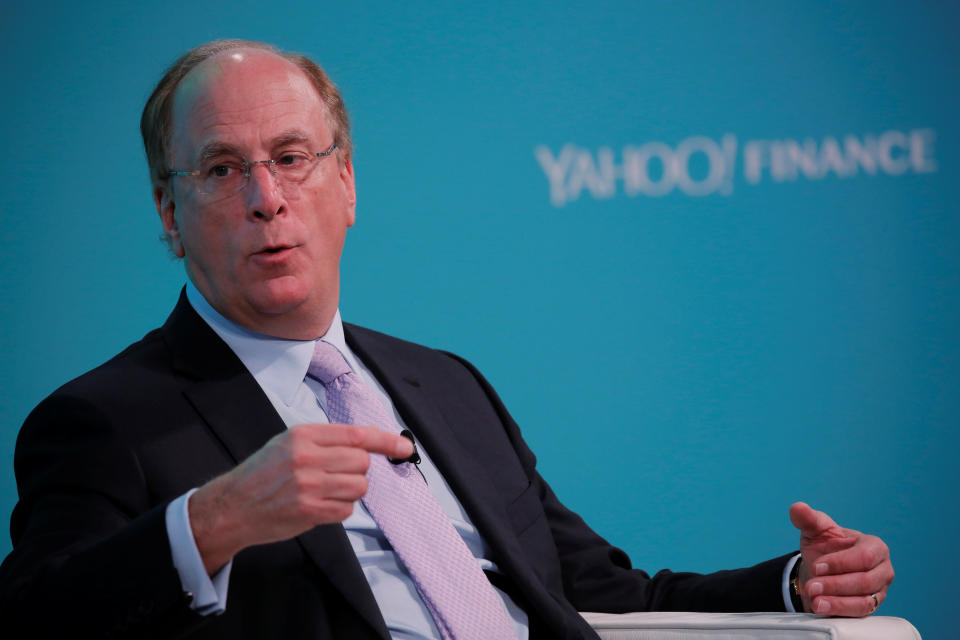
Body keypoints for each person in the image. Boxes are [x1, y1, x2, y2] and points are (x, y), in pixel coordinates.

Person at [0, 40, 894, 639]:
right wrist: (218, 520)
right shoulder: (105, 420)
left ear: (345, 183)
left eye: (291, 157)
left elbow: (597, 596)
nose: (266, 198)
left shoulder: (445, 385)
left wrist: (794, 585)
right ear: (170, 213)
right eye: (223, 168)